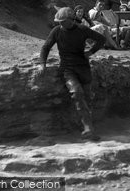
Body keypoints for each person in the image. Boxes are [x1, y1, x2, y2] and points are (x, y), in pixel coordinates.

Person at [38, 7, 106, 141]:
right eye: (59, 21)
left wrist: (90, 52)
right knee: (77, 92)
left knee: (87, 97)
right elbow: (46, 47)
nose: (60, 24)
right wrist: (42, 64)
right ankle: (88, 128)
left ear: (71, 19)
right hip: (67, 69)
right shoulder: (57, 31)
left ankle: (89, 128)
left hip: (83, 68)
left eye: (63, 21)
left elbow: (101, 39)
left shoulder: (82, 29)